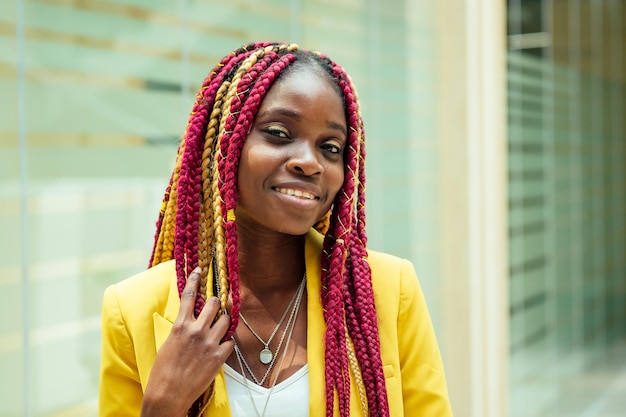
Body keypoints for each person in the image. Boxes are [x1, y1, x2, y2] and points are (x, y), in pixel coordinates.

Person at [98, 41, 453, 417]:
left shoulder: (389, 290)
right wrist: (162, 406)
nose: (309, 162)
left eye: (330, 147)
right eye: (279, 133)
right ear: (223, 145)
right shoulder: (133, 308)